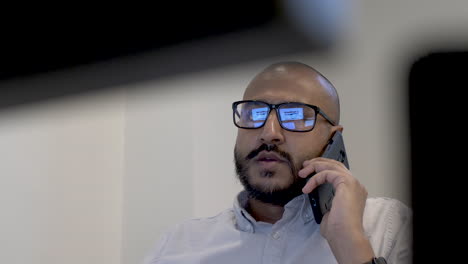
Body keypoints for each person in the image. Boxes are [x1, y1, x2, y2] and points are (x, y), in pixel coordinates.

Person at [143, 61, 412, 264]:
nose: (269, 132)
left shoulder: (387, 227)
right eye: (254, 113)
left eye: (294, 115)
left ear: (333, 141)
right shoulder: (179, 246)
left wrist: (350, 244)